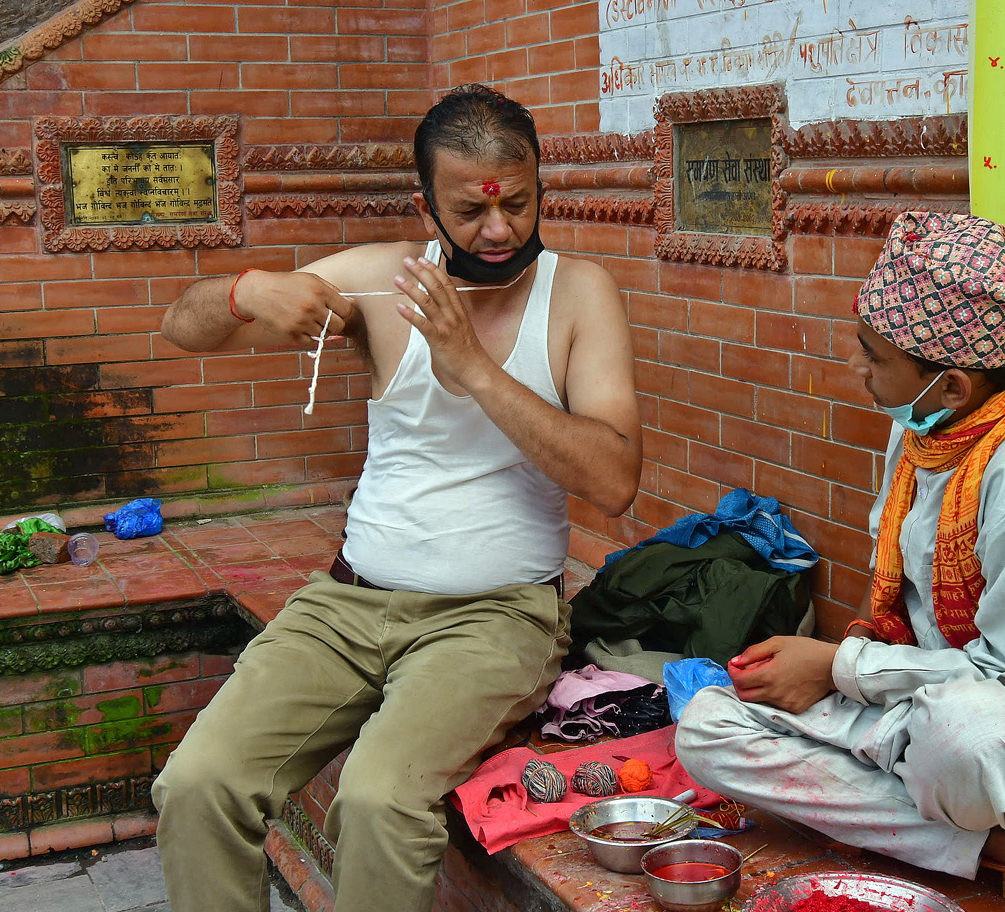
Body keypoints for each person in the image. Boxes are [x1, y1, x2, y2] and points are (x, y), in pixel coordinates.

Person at [152, 84, 642, 912]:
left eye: (518, 205)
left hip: (493, 617)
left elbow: (615, 480)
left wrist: (475, 371)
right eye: (472, 211)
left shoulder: (577, 294)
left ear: (538, 188)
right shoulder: (380, 280)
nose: (499, 230)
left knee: (379, 800)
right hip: (345, 606)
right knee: (198, 785)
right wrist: (247, 291)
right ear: (427, 207)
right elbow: (182, 325)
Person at [675, 211, 1005, 912]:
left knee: (960, 743)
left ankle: (979, 811)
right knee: (706, 728)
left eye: (874, 357)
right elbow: (908, 619)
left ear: (954, 387)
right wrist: (852, 663)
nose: (857, 367)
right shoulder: (924, 436)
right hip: (916, 702)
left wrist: (839, 670)